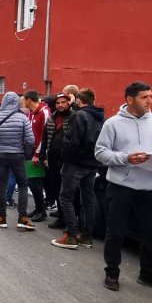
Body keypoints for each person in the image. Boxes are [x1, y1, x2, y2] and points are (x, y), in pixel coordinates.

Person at [94, 82, 152, 291]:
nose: (150, 101)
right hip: (121, 186)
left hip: (150, 187)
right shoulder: (113, 123)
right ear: (130, 100)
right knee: (116, 232)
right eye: (144, 97)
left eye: (151, 96)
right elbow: (100, 153)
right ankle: (112, 272)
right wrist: (126, 158)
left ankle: (149, 274)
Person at [51, 88, 105, 249]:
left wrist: (64, 158)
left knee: (65, 198)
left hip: (75, 163)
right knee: (88, 199)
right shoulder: (102, 118)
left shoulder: (79, 115)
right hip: (93, 163)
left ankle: (71, 235)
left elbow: (71, 140)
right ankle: (86, 236)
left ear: (79, 101)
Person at [0, 91, 35, 230]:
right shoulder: (22, 118)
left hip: (0, 155)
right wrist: (25, 153)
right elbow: (30, 140)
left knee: (1, 186)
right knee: (23, 185)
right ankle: (22, 218)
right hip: (18, 155)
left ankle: (1, 217)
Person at [39, 93, 72, 227]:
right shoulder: (52, 118)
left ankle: (64, 218)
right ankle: (60, 212)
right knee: (56, 186)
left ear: (69, 103)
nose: (60, 105)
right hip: (53, 158)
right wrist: (43, 155)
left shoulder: (74, 117)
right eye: (58, 103)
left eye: (63, 102)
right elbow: (45, 137)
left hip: (67, 160)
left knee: (65, 190)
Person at [23, 91, 51, 221]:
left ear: (29, 100)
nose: (23, 102)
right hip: (30, 151)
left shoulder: (44, 112)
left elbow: (44, 136)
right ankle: (38, 208)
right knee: (32, 181)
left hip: (38, 153)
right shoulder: (31, 112)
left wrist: (37, 154)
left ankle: (42, 211)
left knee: (36, 182)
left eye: (24, 100)